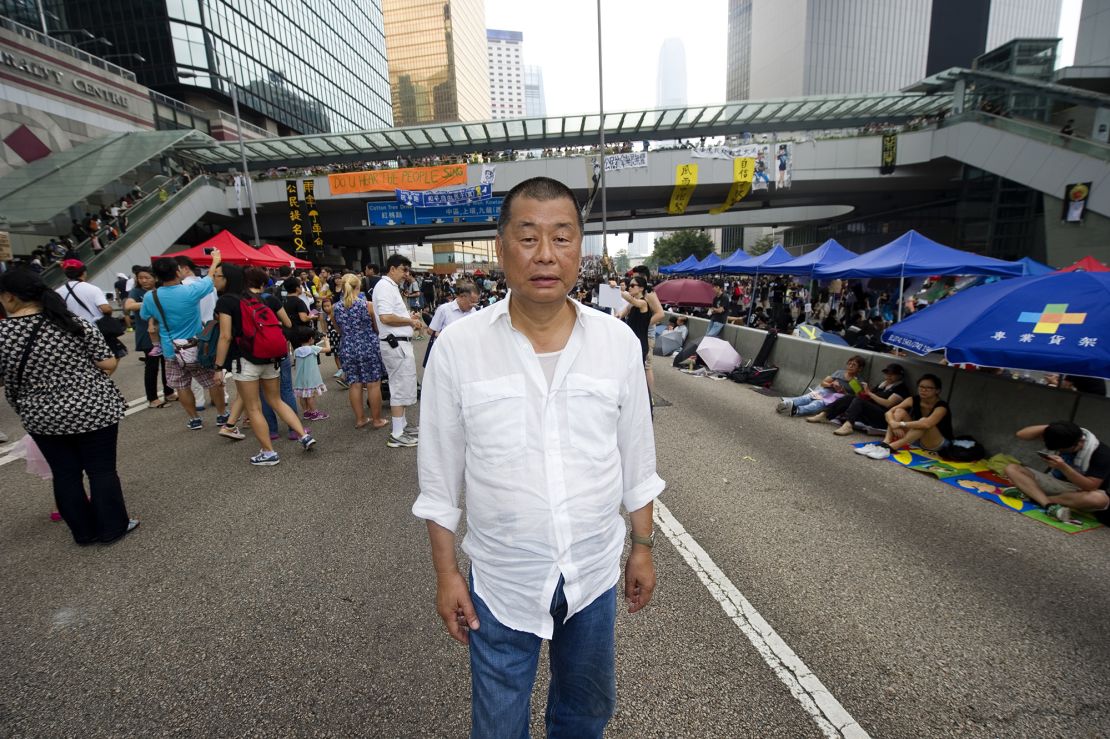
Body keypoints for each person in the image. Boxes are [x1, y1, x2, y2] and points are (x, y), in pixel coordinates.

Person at [413, 176, 663, 737]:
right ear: (501, 249)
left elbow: (636, 459)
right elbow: (438, 476)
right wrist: (446, 573)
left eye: (561, 237)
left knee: (585, 712)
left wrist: (642, 547)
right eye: (527, 238)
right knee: (498, 724)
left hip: (593, 573)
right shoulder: (458, 347)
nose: (545, 254)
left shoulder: (617, 342)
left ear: (581, 250)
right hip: (502, 580)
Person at [0, 269, 137, 545]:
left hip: (40, 415)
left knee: (65, 474)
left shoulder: (2, 334)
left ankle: (83, 533)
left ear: (10, 297)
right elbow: (108, 363)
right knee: (102, 470)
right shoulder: (73, 323)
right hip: (92, 408)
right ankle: (113, 527)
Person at [212, 264, 316, 465]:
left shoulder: (227, 301)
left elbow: (225, 336)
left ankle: (268, 453)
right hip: (271, 357)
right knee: (276, 400)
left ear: (228, 279)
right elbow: (284, 324)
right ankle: (303, 435)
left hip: (246, 359)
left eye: (217, 276)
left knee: (253, 407)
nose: (213, 279)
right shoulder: (259, 298)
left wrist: (218, 367)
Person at [140, 254, 228, 430]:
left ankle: (195, 419)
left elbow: (144, 316)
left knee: (182, 385)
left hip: (171, 349)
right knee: (213, 382)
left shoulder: (151, 296)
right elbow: (209, 279)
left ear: (156, 276)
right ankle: (221, 415)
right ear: (178, 271)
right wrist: (214, 261)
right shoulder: (191, 290)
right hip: (196, 347)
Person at [1002, 422, 1110, 523]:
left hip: (1078, 492)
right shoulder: (1063, 435)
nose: (1061, 452)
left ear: (1079, 442)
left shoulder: (1102, 454)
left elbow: (1090, 486)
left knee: (1098, 499)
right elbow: (1021, 434)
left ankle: (1034, 498)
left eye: (1065, 450)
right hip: (1055, 482)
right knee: (1012, 468)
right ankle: (1048, 505)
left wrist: (1064, 467)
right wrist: (1053, 428)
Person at [372, 254, 421, 448]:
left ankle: (402, 426)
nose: (405, 274)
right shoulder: (384, 287)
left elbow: (389, 315)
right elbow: (385, 317)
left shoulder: (389, 287)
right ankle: (397, 433)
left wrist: (408, 317)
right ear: (392, 269)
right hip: (395, 344)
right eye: (403, 270)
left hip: (398, 343)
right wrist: (410, 320)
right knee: (400, 387)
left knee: (403, 385)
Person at [334, 273, 388, 430]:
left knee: (354, 384)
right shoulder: (367, 305)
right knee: (373, 384)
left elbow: (339, 330)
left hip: (348, 346)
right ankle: (377, 420)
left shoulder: (336, 308)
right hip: (368, 345)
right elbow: (376, 328)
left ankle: (360, 419)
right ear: (358, 287)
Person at [857, 373, 952, 460]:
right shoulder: (913, 399)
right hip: (916, 438)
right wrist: (893, 423)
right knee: (899, 411)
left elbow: (926, 424)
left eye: (928, 388)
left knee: (923, 422)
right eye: (921, 387)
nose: (923, 390)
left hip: (937, 443)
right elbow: (889, 412)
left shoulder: (941, 407)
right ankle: (886, 442)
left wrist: (900, 424)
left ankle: (891, 447)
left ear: (937, 391)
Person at [124, 266, 176, 408]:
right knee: (152, 366)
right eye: (141, 278)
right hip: (147, 333)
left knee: (167, 364)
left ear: (155, 278)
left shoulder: (161, 290)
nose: (144, 280)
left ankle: (169, 392)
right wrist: (148, 303)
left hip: (163, 332)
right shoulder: (136, 291)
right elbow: (129, 306)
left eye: (147, 277)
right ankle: (152, 398)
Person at [807, 362, 909, 435]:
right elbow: (868, 396)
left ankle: (848, 425)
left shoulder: (901, 388)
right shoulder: (882, 385)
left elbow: (888, 404)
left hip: (883, 418)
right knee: (850, 397)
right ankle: (825, 415)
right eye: (887, 373)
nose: (888, 376)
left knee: (859, 401)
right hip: (869, 412)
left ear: (900, 376)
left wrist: (869, 393)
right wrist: (861, 391)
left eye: (892, 374)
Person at [56, 259, 127, 359]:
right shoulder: (92, 288)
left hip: (73, 331)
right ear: (84, 272)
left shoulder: (58, 292)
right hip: (96, 330)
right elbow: (105, 309)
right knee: (113, 357)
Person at [776, 355, 866, 417]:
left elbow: (857, 398)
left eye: (854, 365)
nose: (850, 366)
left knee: (818, 403)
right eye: (849, 363)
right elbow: (823, 383)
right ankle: (787, 404)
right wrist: (831, 384)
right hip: (828, 391)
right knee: (809, 397)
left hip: (839, 397)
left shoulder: (857, 381)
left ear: (860, 369)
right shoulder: (840, 373)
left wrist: (844, 392)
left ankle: (796, 410)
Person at [423, 279, 478, 368]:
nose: (474, 305)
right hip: (445, 354)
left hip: (464, 355)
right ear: (462, 297)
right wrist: (448, 337)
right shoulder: (444, 309)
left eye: (476, 302)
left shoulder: (473, 311)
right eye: (472, 302)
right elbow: (430, 331)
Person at [290, 325, 329, 421]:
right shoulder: (313, 348)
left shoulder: (296, 351)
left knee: (302, 395)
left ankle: (306, 412)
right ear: (311, 339)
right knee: (310, 396)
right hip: (311, 378)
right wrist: (326, 341)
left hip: (300, 378)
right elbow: (328, 349)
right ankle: (314, 412)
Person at [618, 275, 651, 362]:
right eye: (629, 285)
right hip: (632, 342)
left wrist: (617, 289)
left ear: (641, 288)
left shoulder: (643, 303)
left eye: (632, 285)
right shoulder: (632, 304)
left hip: (640, 344)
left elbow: (632, 300)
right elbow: (620, 315)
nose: (629, 287)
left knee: (638, 373)